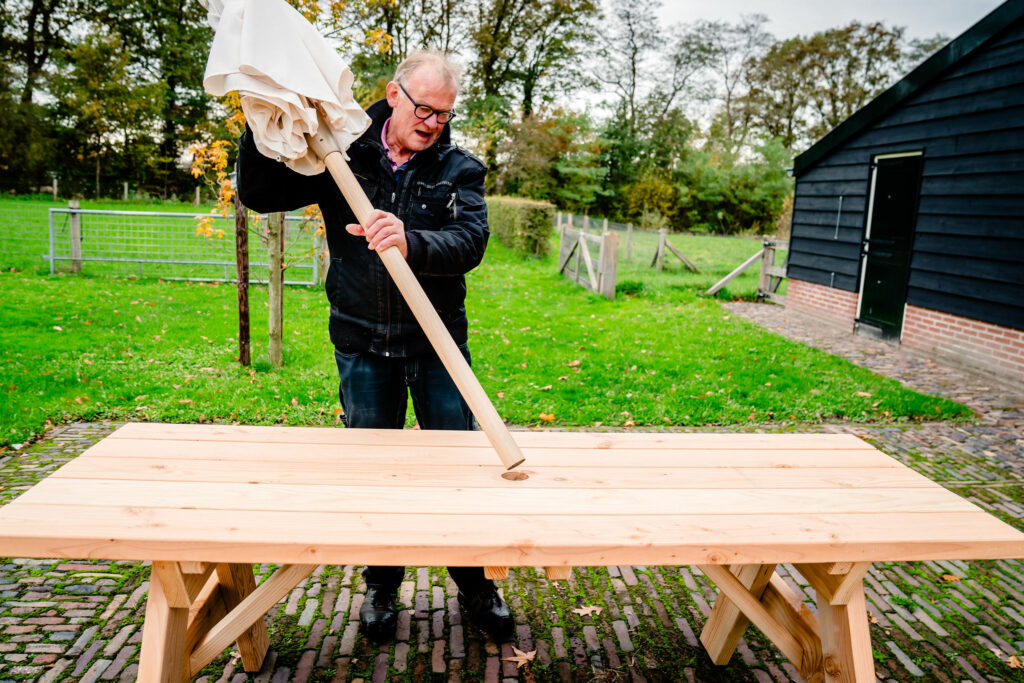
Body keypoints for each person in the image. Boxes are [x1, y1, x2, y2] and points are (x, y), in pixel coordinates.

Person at [236, 50, 514, 644]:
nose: (434, 121)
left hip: (437, 347)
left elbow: (470, 241)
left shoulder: (457, 167)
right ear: (394, 94)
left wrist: (410, 241)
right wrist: (262, 119)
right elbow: (259, 194)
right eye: (424, 108)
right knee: (375, 472)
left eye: (444, 113)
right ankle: (383, 587)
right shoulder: (342, 150)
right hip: (362, 342)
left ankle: (474, 583)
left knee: (454, 470)